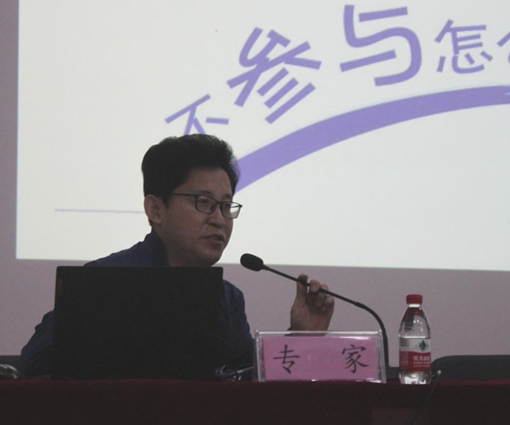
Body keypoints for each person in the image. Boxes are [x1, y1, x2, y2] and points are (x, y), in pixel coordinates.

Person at [21, 134, 334, 377]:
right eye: (203, 202)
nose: (219, 219)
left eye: (226, 205)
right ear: (156, 209)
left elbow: (244, 380)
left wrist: (300, 337)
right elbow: (35, 362)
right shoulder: (105, 281)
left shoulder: (227, 298)